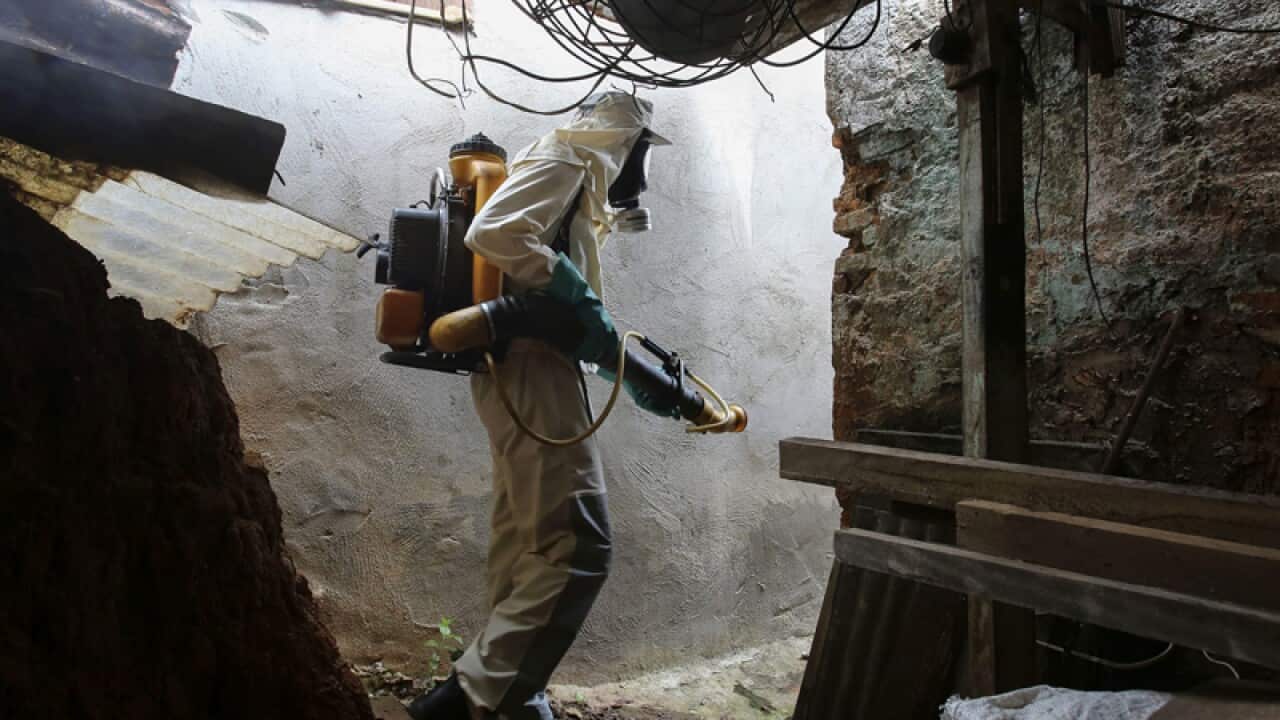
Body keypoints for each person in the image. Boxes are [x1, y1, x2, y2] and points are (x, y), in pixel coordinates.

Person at [408, 92, 671, 720]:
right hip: (529, 363)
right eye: (640, 154)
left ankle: (511, 698)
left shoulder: (570, 176)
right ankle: (467, 700)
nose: (639, 173)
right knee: (580, 547)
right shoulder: (565, 159)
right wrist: (579, 298)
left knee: (528, 542)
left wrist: (601, 341)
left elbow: (550, 284)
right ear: (621, 142)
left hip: (526, 362)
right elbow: (494, 233)